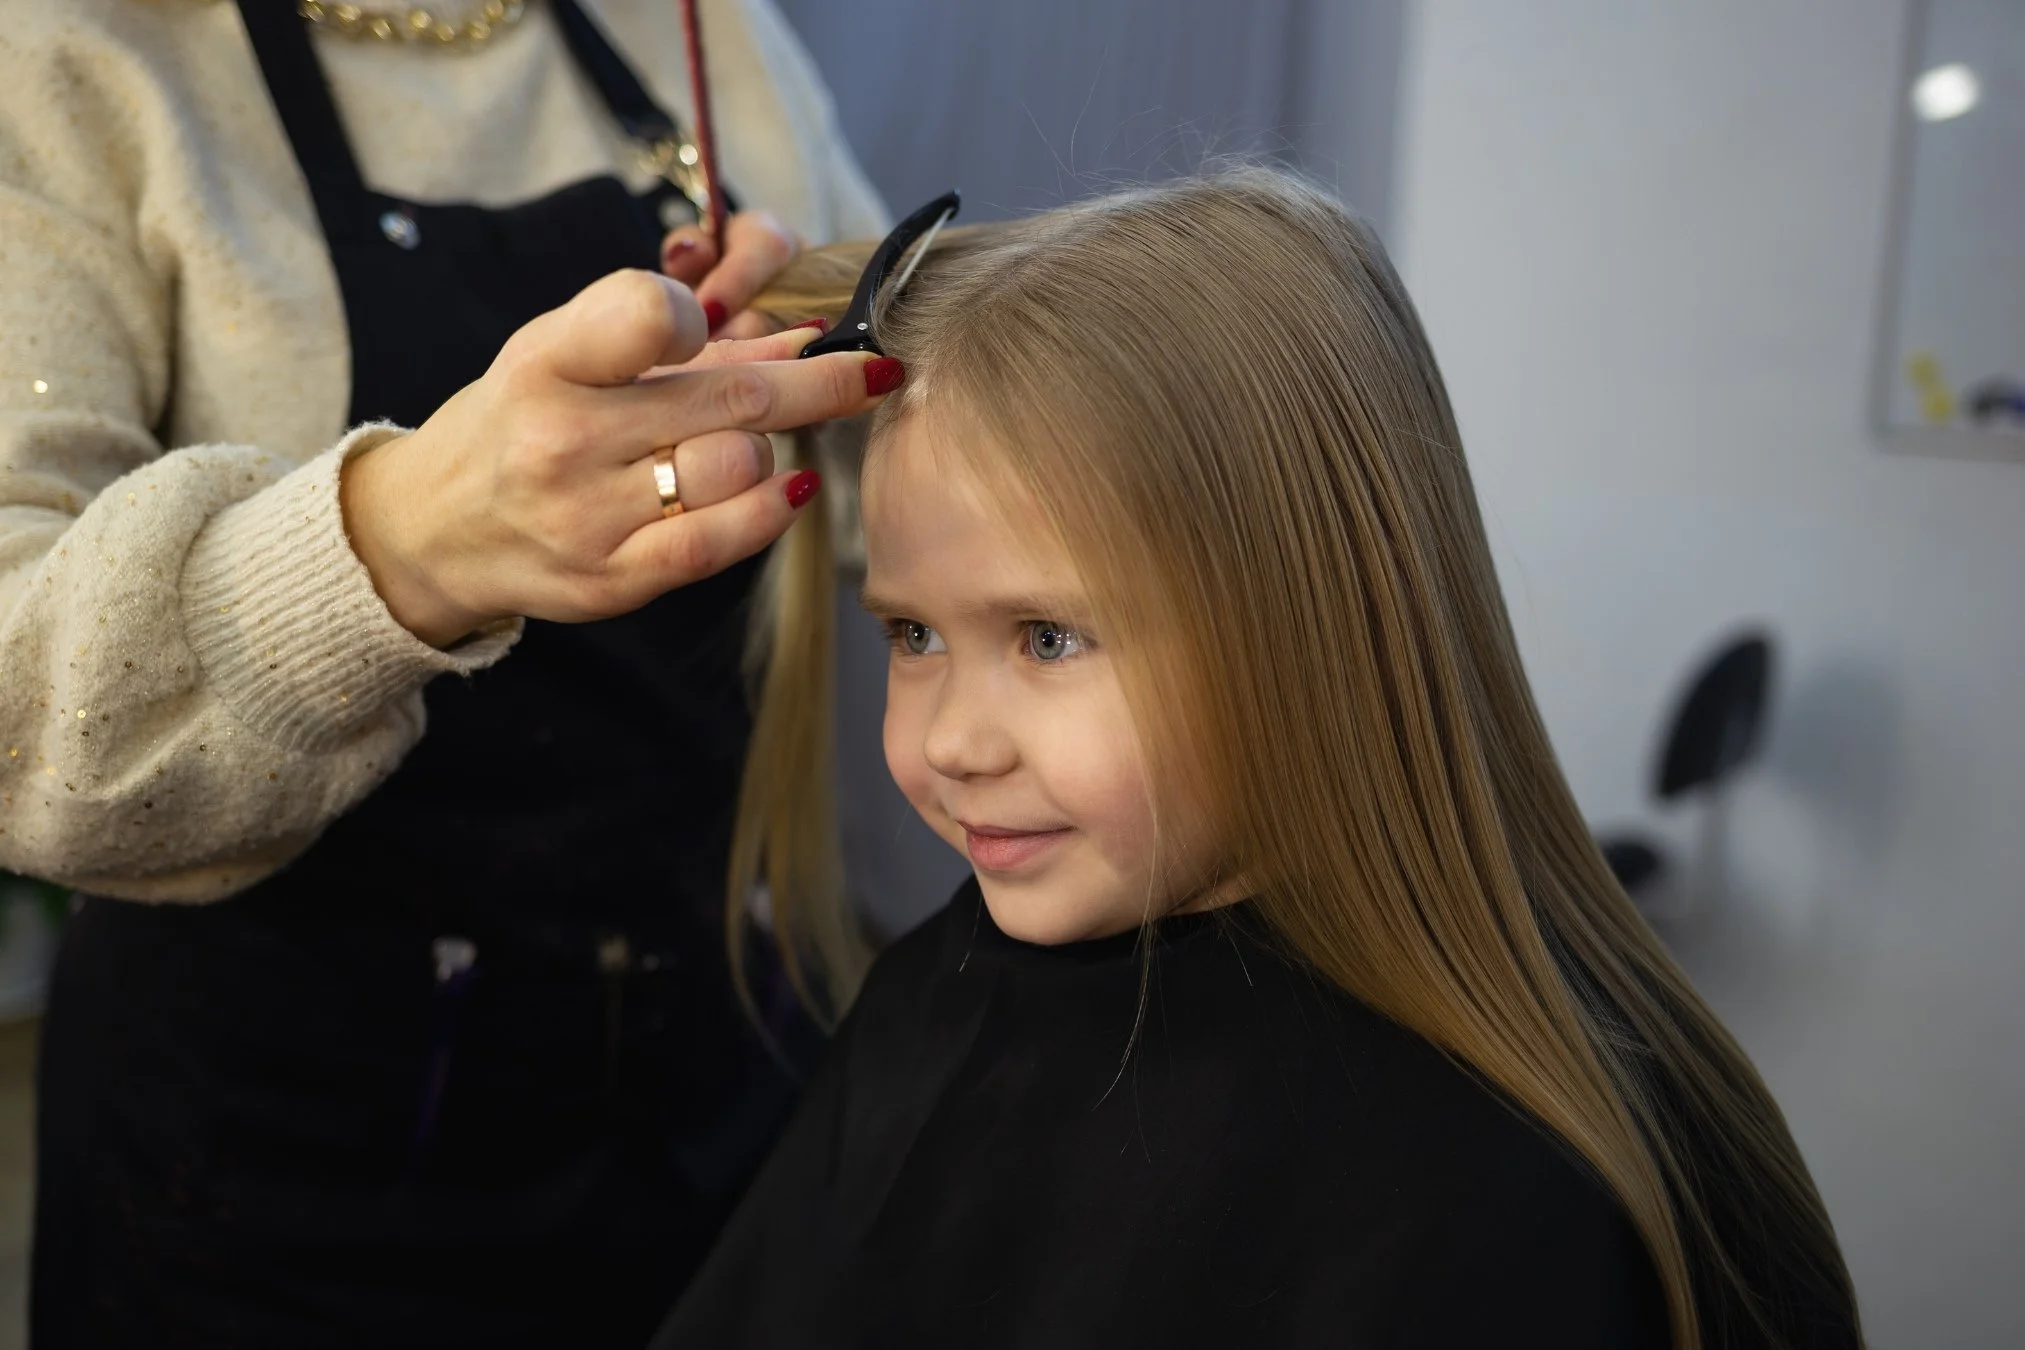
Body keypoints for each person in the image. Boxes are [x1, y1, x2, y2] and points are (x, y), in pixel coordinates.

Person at [653, 168, 1867, 1348]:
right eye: (913, 634)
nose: (951, 744)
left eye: (1049, 637)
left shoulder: (1504, 1199)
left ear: (1314, 626)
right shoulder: (939, 999)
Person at [0, 0, 894, 1344]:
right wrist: (404, 539)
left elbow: (897, 482)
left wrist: (803, 338)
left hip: (709, 1112)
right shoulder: (70, 56)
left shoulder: (703, 32)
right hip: (273, 1194)